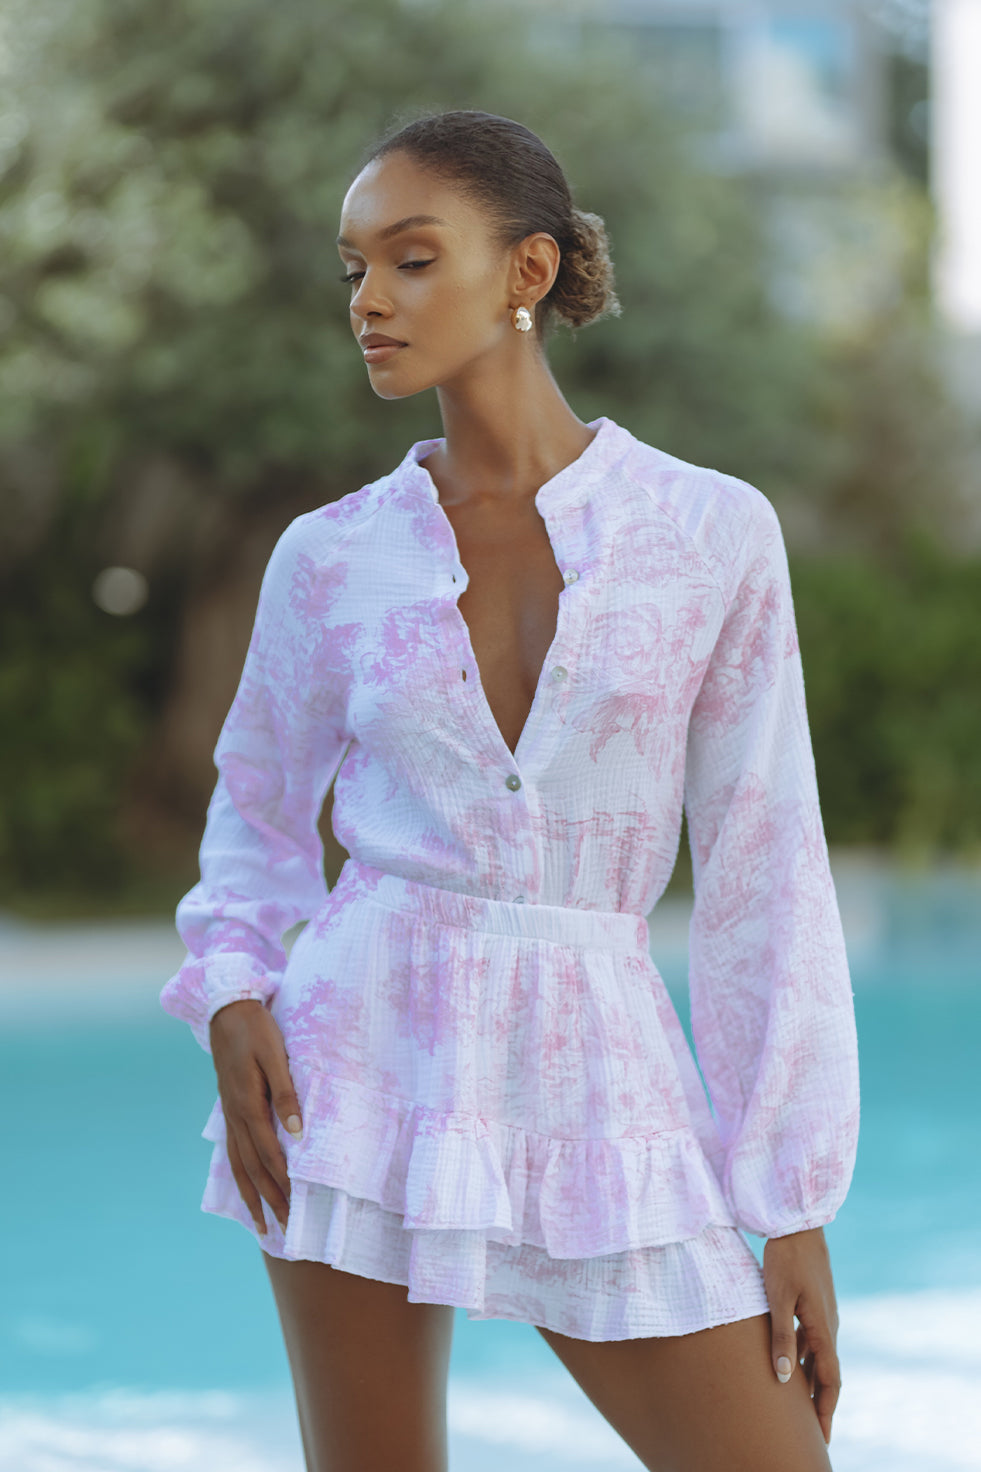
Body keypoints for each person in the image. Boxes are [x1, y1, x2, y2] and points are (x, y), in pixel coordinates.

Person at [160, 109, 860, 1472]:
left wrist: (791, 1203)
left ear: (528, 272)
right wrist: (234, 988)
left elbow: (763, 865)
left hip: (601, 1067)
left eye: (412, 259)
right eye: (354, 267)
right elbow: (254, 810)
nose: (367, 300)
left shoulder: (708, 532)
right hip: (349, 1071)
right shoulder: (330, 556)